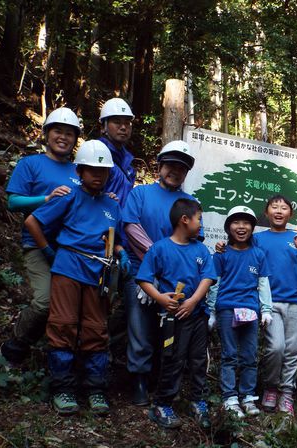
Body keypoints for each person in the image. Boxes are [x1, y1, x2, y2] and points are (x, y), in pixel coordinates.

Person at [24, 140, 128, 415]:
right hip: (68, 266)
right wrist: (47, 251)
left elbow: (113, 238)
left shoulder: (112, 205)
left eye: (103, 171)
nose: (98, 175)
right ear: (80, 171)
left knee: (96, 328)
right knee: (63, 325)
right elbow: (33, 221)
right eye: (91, 169)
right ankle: (63, 389)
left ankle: (95, 390)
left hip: (98, 271)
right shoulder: (68, 195)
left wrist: (121, 252)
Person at [0, 107, 82, 367]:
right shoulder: (30, 164)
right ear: (46, 133)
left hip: (70, 248)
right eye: (58, 131)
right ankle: (13, 349)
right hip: (36, 244)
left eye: (70, 134)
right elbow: (13, 202)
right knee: (44, 301)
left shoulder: (79, 170)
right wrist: (45, 199)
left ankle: (57, 361)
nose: (63, 138)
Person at [121, 140, 200, 406]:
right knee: (140, 327)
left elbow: (193, 240)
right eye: (171, 165)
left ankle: (163, 382)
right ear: (160, 166)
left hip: (177, 280)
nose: (175, 171)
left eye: (181, 168)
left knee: (171, 333)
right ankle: (139, 381)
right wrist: (156, 260)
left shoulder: (190, 203)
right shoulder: (140, 194)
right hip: (140, 272)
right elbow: (131, 227)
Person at [136, 198, 216, 429]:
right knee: (173, 358)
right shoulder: (160, 248)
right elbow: (144, 278)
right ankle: (162, 403)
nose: (201, 224)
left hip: (197, 314)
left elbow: (207, 278)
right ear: (185, 220)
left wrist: (192, 301)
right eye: (199, 219)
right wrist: (160, 298)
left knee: (199, 359)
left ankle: (197, 400)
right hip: (172, 318)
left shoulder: (201, 249)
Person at [207, 206, 272, 418]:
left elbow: (263, 284)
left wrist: (266, 309)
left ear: (253, 227)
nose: (241, 227)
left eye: (246, 223)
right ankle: (229, 398)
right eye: (236, 222)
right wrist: (212, 312)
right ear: (228, 227)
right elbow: (214, 283)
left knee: (249, 355)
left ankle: (248, 397)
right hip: (227, 308)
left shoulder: (259, 254)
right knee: (229, 355)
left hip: (250, 311)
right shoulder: (221, 254)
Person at [255, 195, 297, 415]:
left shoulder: (296, 237)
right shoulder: (258, 239)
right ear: (267, 211)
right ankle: (270, 387)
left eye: (284, 208)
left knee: (293, 350)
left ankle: (286, 392)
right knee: (276, 347)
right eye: (274, 207)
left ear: (291, 213)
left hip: (295, 302)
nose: (279, 211)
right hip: (269, 303)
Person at [98, 98, 136, 208]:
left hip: (120, 222)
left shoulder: (128, 163)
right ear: (103, 127)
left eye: (127, 123)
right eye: (117, 122)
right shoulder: (96, 154)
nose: (123, 127)